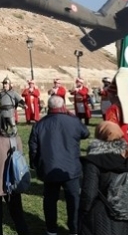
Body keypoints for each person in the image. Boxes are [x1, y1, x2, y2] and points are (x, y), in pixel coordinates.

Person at [77, 121, 128, 235]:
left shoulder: (94, 161)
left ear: (100, 135)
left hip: (104, 216)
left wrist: (83, 214)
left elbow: (89, 193)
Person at [29, 96, 89, 235]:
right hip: (70, 168)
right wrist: (73, 118)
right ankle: (74, 229)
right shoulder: (72, 122)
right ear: (63, 107)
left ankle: (51, 229)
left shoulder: (40, 124)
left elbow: (33, 148)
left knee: (50, 201)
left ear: (49, 107)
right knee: (73, 200)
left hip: (49, 168)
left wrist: (36, 165)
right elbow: (85, 133)